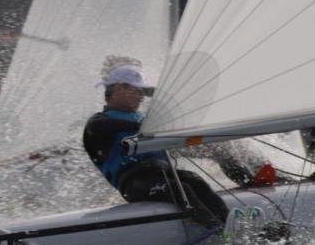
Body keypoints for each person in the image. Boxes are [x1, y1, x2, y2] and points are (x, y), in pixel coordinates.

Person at [82, 65, 229, 229]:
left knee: (195, 180)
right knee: (182, 189)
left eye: (143, 93)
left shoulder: (145, 118)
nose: (141, 97)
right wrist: (153, 127)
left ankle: (231, 223)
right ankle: (219, 231)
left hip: (164, 173)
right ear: (117, 88)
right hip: (135, 183)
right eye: (137, 91)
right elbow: (105, 126)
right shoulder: (98, 122)